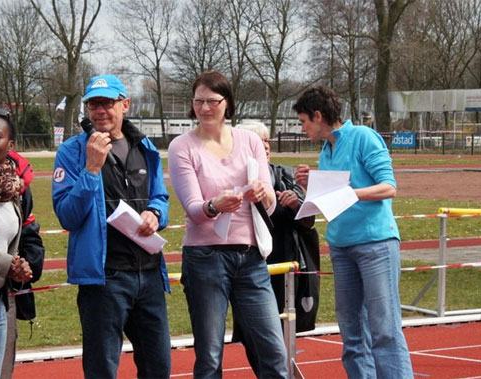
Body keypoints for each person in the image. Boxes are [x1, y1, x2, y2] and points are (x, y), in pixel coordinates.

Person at [168, 71, 288, 378]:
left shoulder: (249, 141)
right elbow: (194, 209)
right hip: (205, 258)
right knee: (209, 356)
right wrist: (214, 206)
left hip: (251, 258)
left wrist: (263, 194)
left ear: (227, 103)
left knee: (273, 351)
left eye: (212, 101)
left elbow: (270, 205)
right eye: (198, 101)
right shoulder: (182, 147)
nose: (205, 108)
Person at [52, 75, 171, 379]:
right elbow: (67, 215)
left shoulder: (145, 147)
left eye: (107, 103)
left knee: (158, 367)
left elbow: (160, 196)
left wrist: (156, 213)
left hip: (149, 274)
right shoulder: (72, 152)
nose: (100, 110)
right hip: (104, 279)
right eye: (93, 104)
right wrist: (91, 168)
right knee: (102, 368)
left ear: (125, 105)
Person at [293, 86, 413, 378]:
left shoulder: (363, 136)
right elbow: (333, 199)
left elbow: (389, 187)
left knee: (384, 329)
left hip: (376, 245)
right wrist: (312, 188)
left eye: (303, 121)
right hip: (341, 247)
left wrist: (351, 193)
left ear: (318, 116)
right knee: (351, 332)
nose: (302, 129)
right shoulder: (326, 150)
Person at [233, 121, 320, 373]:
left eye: (267, 141)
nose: (265, 147)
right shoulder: (234, 180)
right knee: (253, 334)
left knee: (281, 333)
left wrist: (297, 203)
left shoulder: (284, 174)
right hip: (249, 265)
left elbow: (308, 222)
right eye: (258, 142)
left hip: (285, 264)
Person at [0, 92, 45, 379]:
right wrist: (6, 262)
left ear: (8, 144)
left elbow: (26, 235)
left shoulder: (13, 188)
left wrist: (25, 266)